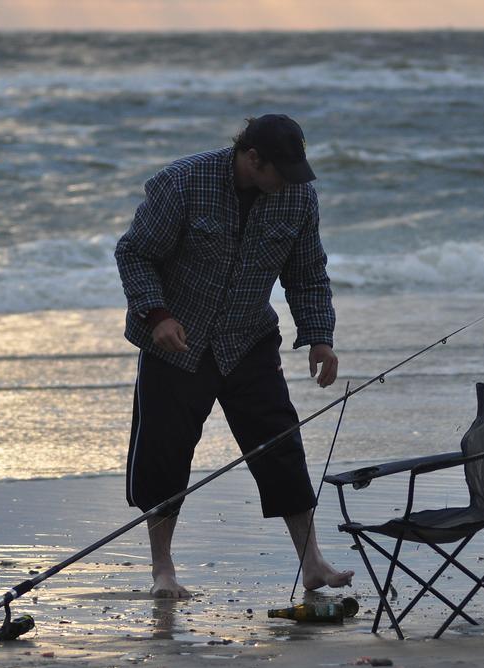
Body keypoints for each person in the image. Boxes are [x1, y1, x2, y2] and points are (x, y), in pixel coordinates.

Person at [114, 114, 353, 598]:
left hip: (247, 339)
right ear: (251, 158)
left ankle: (313, 563)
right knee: (163, 457)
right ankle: (163, 570)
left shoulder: (298, 196)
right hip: (177, 342)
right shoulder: (181, 183)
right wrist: (157, 315)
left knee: (281, 446)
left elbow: (307, 273)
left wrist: (320, 337)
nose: (287, 182)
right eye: (278, 171)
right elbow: (134, 253)